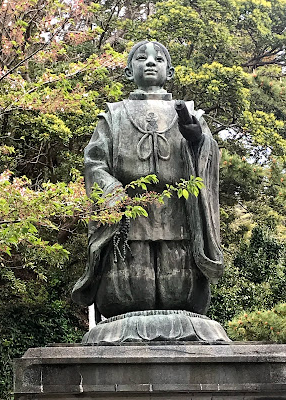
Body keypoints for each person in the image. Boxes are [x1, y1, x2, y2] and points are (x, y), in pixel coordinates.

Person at [72, 41, 224, 320]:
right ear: (130, 71)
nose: (151, 62)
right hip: (129, 215)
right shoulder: (113, 114)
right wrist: (111, 189)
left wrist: (197, 139)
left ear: (171, 71)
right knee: (130, 291)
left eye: (159, 59)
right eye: (142, 58)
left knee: (179, 291)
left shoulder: (189, 111)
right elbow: (94, 162)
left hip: (178, 213)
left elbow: (209, 157)